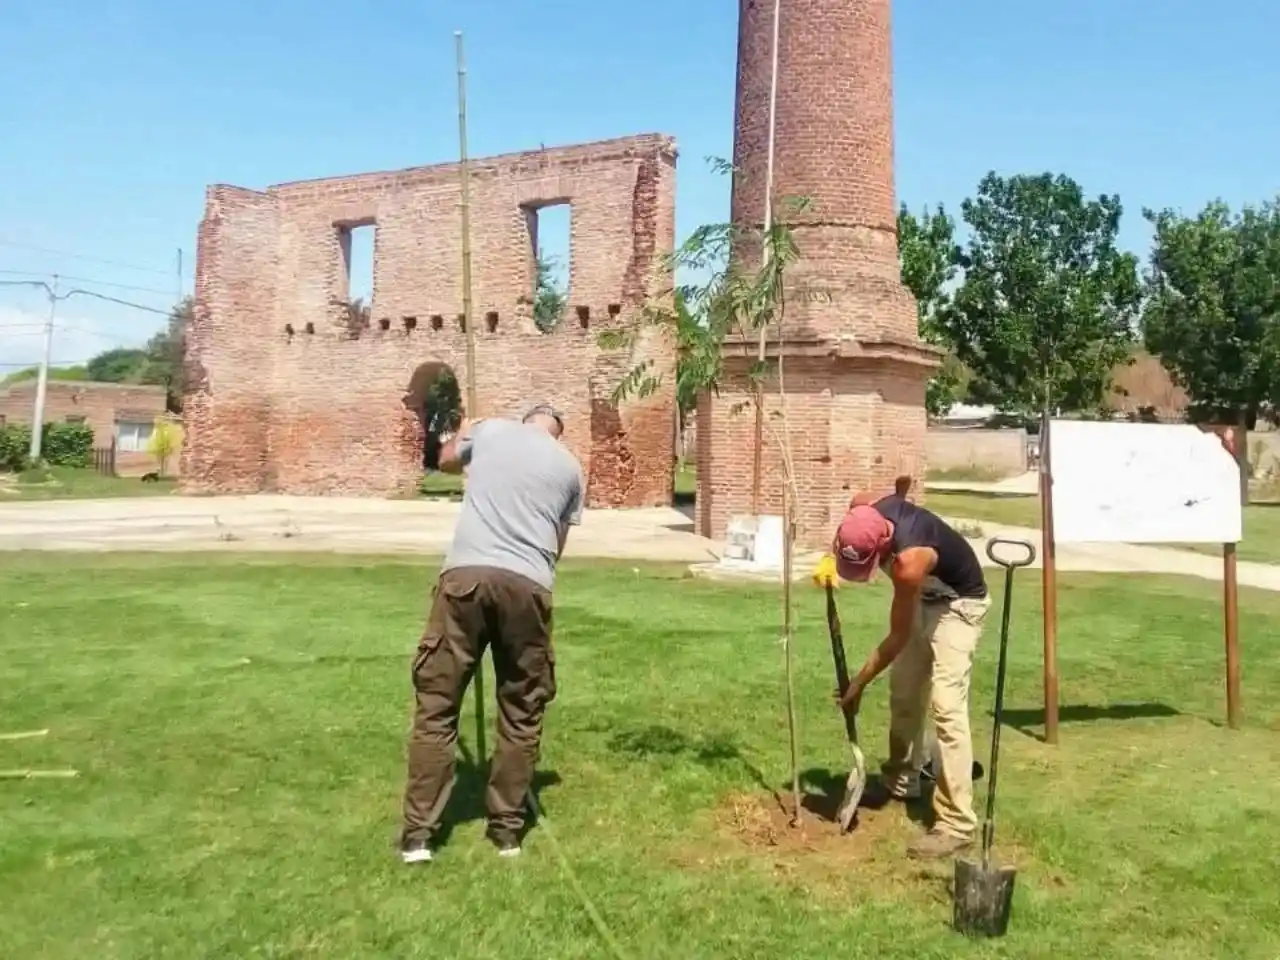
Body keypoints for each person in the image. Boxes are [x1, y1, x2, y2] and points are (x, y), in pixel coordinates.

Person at [399, 402, 584, 864]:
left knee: (438, 707)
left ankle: (419, 836)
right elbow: (557, 545)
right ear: (556, 434)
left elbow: (442, 461)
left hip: (466, 576)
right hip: (530, 585)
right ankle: (506, 832)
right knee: (522, 709)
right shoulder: (570, 467)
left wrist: (463, 429)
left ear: (526, 421)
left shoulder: (491, 432)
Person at [831, 483, 991, 860]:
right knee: (904, 693)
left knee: (946, 707)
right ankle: (901, 781)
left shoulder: (909, 563)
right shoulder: (862, 511)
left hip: (959, 604)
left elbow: (897, 636)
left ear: (884, 541)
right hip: (925, 598)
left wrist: (858, 683)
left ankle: (957, 824)